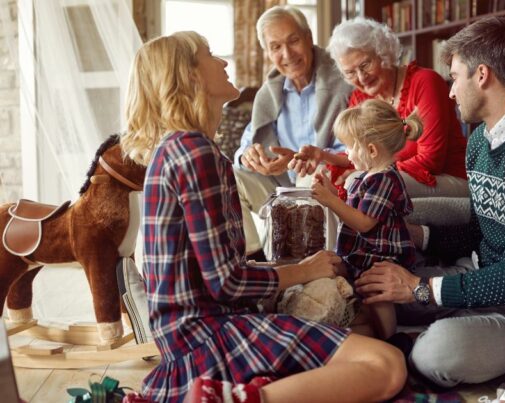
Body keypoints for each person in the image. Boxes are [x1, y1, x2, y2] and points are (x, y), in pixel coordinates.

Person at [120, 31, 405, 403]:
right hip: (207, 340)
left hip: (185, 338)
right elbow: (228, 282)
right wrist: (307, 269)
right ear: (189, 75)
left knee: (358, 344)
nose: (223, 61)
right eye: (209, 55)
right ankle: (235, 399)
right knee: (388, 365)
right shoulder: (196, 152)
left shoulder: (175, 148)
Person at [354, 17, 505, 388]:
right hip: (478, 274)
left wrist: (419, 288)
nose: (450, 92)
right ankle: (419, 337)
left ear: (482, 75)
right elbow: (480, 232)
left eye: (454, 77)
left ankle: (420, 343)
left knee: (436, 353)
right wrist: (418, 235)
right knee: (374, 294)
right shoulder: (480, 140)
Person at [295, 17, 468, 199]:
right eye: (351, 72)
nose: (361, 78)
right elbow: (360, 153)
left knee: (360, 183)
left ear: (383, 53)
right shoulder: (361, 97)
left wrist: (368, 174)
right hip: (392, 174)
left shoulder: (425, 82)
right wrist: (322, 155)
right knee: (315, 180)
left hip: (444, 178)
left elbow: (431, 161)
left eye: (365, 65)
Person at [233, 6, 352, 255]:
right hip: (279, 188)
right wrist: (248, 156)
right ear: (268, 52)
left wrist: (302, 160)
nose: (287, 54)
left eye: (293, 41)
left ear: (308, 38)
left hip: (324, 181)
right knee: (230, 176)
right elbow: (247, 142)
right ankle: (256, 261)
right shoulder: (270, 92)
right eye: (276, 47)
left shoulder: (342, 81)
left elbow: (354, 148)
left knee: (311, 176)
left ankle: (318, 266)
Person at [311, 99, 422, 340]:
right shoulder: (367, 176)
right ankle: (359, 322)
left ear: (371, 150)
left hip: (380, 255)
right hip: (363, 252)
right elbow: (354, 207)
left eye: (349, 147)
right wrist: (332, 192)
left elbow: (364, 222)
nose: (347, 154)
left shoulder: (384, 179)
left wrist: (331, 202)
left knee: (377, 294)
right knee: (345, 277)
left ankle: (391, 338)